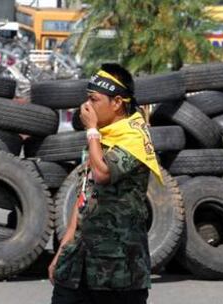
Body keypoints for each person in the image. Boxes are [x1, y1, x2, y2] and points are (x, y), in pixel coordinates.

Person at [49, 63, 163, 304]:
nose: (86, 107)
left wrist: (92, 131)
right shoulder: (101, 138)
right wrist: (63, 248)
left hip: (118, 271)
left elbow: (103, 173)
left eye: (94, 100)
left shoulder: (134, 138)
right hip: (78, 264)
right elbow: (84, 195)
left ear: (117, 102)